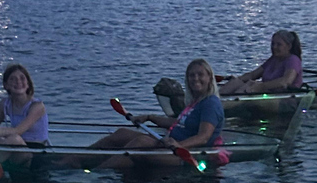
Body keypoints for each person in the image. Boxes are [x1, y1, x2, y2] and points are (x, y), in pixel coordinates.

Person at [88, 58, 224, 169]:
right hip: (169, 144)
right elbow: (178, 123)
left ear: (209, 78)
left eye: (200, 75)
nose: (195, 78)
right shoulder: (195, 101)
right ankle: (82, 156)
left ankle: (99, 172)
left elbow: (204, 137)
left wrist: (179, 145)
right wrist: (149, 117)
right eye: (191, 75)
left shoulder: (210, 103)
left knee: (140, 142)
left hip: (187, 154)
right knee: (122, 133)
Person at [219, 30, 303, 95]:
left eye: (279, 44)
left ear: (289, 46)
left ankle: (225, 105)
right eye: (272, 44)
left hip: (285, 98)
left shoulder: (293, 59)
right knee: (237, 82)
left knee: (250, 84)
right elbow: (253, 75)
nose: (274, 47)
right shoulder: (273, 59)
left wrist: (260, 86)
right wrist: (238, 79)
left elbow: (286, 81)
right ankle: (216, 98)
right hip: (269, 94)